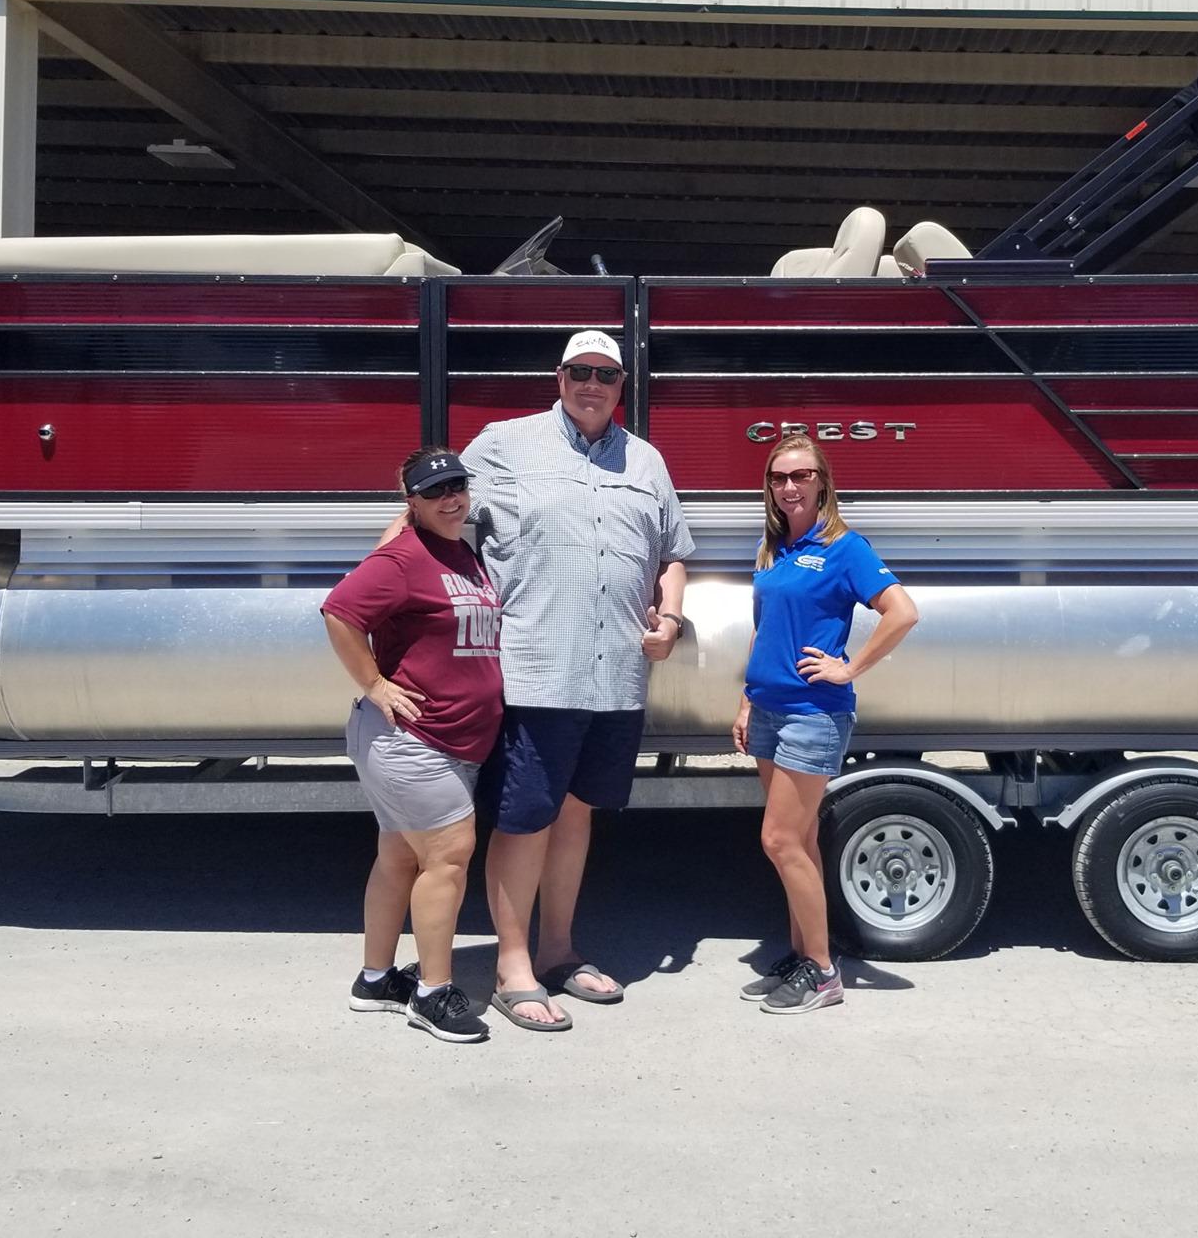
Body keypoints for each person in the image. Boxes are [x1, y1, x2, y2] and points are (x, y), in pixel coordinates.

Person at [383, 328, 693, 1032]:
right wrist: (374, 591)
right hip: (533, 672)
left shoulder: (645, 461)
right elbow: (432, 514)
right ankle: (511, 966)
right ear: (558, 377)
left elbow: (672, 553)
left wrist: (670, 619)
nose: (592, 384)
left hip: (615, 676)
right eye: (579, 371)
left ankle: (558, 951)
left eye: (605, 375)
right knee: (526, 821)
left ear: (622, 386)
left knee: (577, 813)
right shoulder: (502, 443)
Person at [732, 433, 918, 1015]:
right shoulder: (774, 549)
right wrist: (746, 699)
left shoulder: (844, 546)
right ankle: (801, 953)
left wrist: (849, 667)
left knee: (779, 839)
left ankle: (822, 972)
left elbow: (902, 611)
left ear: (822, 481)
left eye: (801, 475)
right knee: (803, 840)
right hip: (767, 708)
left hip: (812, 715)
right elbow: (768, 632)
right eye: (779, 477)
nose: (790, 486)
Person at [322, 447, 502, 1045]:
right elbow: (340, 610)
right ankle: (432, 993)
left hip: (447, 740)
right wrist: (374, 684)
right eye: (434, 493)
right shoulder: (403, 559)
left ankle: (375, 980)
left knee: (399, 857)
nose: (451, 499)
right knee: (448, 856)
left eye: (457, 487)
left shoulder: (459, 552)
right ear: (413, 503)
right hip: (413, 740)